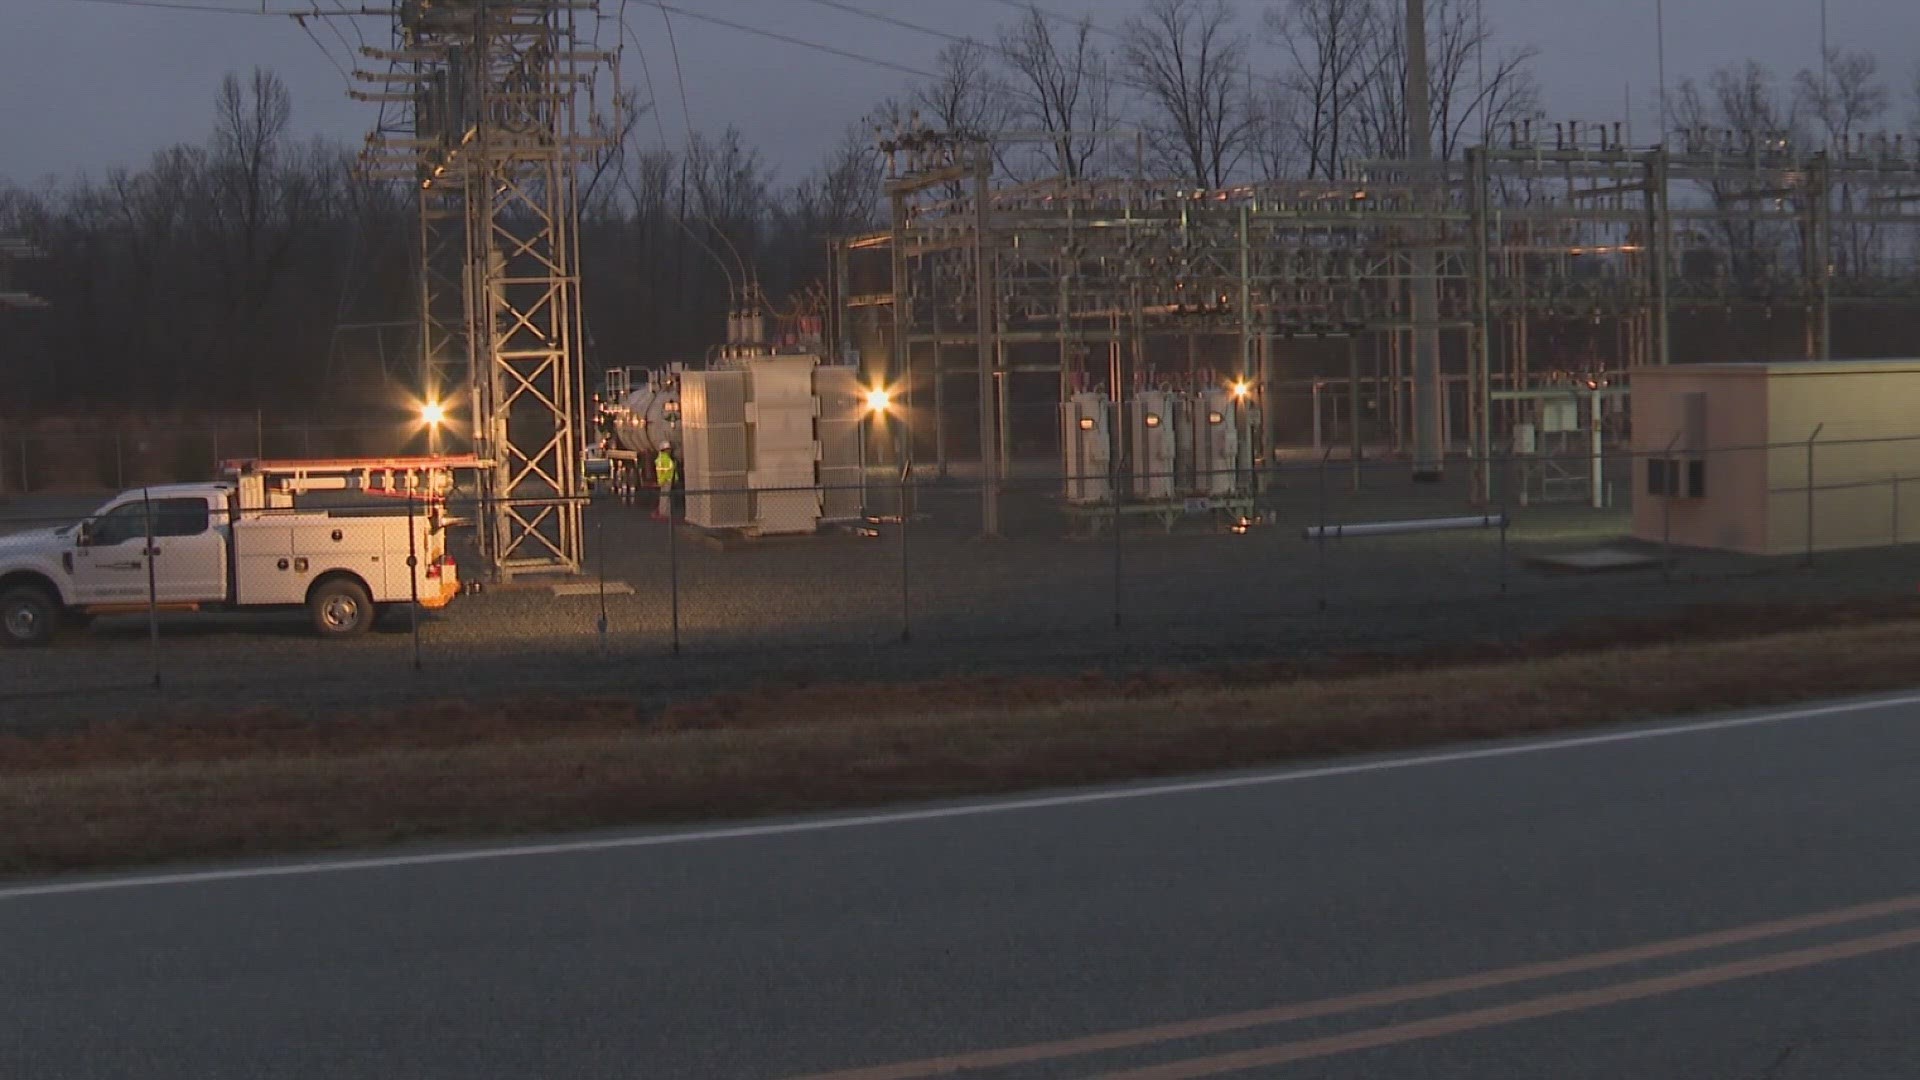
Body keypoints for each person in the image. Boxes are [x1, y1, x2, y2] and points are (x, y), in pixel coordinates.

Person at [653, 442, 678, 520]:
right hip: (666, 481)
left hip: (666, 480)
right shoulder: (665, 459)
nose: (670, 451)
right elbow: (665, 471)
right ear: (664, 450)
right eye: (668, 449)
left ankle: (665, 512)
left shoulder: (664, 458)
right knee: (665, 497)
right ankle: (664, 513)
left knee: (665, 497)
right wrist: (663, 480)